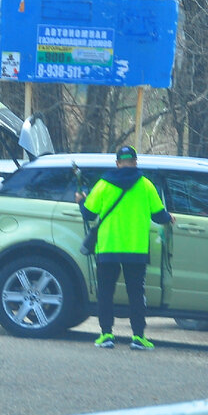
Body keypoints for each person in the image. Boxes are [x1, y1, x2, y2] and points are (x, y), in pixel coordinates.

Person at [77, 145, 172, 350]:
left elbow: (89, 214)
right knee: (136, 294)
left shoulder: (103, 185)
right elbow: (158, 215)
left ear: (118, 163)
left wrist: (80, 202)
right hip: (136, 250)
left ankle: (106, 335)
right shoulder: (146, 185)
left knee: (105, 293)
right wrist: (170, 217)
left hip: (108, 248)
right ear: (136, 162)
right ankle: (138, 337)